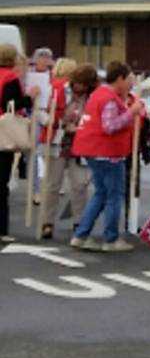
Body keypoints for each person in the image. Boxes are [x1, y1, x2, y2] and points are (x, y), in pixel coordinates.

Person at [70, 61, 146, 251]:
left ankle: (81, 234)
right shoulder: (110, 98)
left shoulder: (99, 94)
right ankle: (111, 239)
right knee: (113, 195)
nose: (129, 84)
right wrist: (131, 113)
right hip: (107, 152)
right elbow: (109, 126)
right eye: (127, 79)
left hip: (94, 150)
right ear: (119, 79)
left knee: (101, 194)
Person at [39, 59, 93, 241]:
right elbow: (42, 112)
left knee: (80, 185)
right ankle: (47, 222)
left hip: (80, 143)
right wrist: (61, 124)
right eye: (78, 84)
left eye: (84, 86)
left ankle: (79, 222)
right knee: (52, 185)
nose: (80, 88)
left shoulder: (92, 96)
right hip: (58, 140)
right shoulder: (58, 88)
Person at [0, 43, 32, 243]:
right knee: (1, 181)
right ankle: (1, 228)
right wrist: (30, 98)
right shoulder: (10, 78)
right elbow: (10, 104)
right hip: (3, 132)